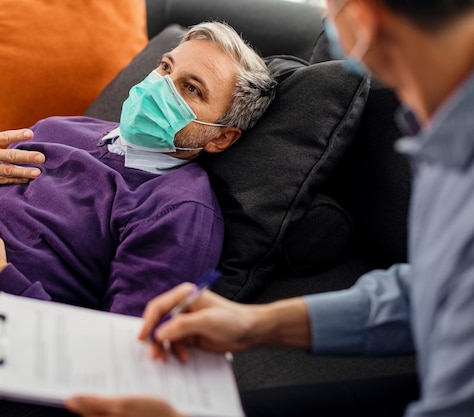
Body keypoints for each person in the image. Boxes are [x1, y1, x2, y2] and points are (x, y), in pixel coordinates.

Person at [64, 0, 474, 416]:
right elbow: (430, 291)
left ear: (365, 19)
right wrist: (258, 325)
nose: (325, 20)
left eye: (331, 6)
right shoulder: (438, 132)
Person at [0, 21, 276, 417]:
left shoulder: (179, 211)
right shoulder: (60, 129)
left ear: (220, 137)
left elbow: (124, 364)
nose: (161, 85)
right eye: (166, 66)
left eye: (190, 88)